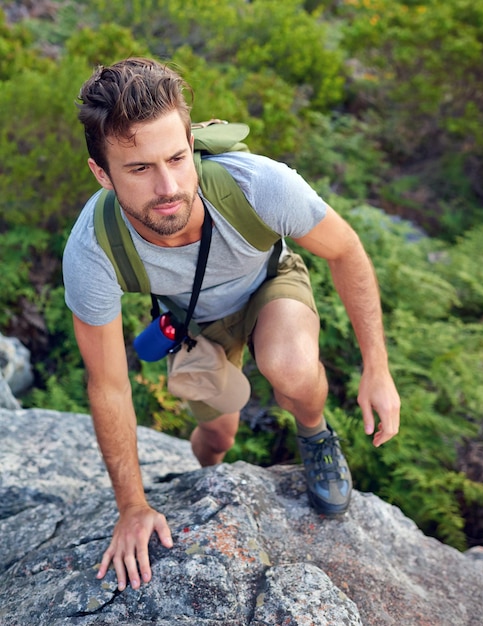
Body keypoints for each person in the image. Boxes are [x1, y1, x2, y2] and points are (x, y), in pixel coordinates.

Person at [63, 57, 400, 592]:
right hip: (192, 321)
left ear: (192, 141)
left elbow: (347, 251)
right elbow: (107, 383)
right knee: (217, 432)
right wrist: (132, 507)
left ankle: (314, 435)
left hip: (269, 284)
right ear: (101, 173)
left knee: (289, 367)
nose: (169, 186)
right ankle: (208, 476)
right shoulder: (93, 250)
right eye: (140, 168)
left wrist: (377, 368)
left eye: (177, 157)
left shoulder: (257, 186)